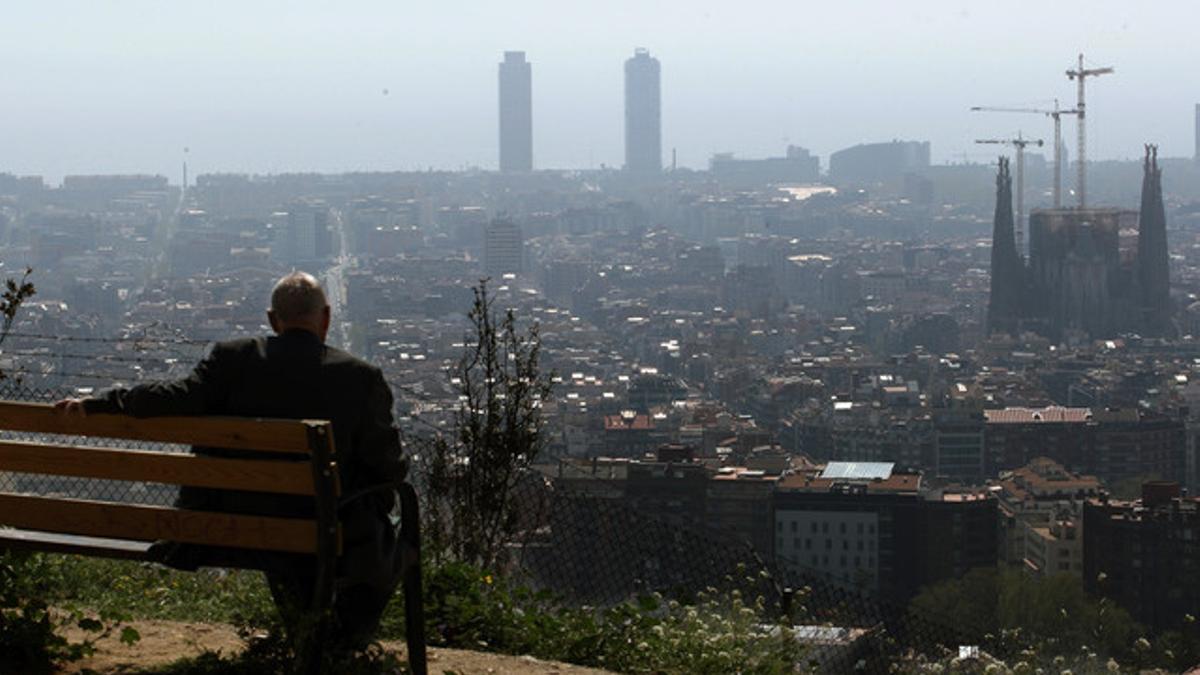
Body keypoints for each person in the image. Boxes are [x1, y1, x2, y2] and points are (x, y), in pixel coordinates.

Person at [55, 271, 408, 646]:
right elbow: (387, 467)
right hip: (325, 530)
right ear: (327, 317)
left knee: (284, 520)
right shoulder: (360, 378)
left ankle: (309, 638)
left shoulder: (230, 361)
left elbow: (173, 396)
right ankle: (334, 642)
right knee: (387, 533)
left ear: (273, 320)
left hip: (228, 527)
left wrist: (102, 403)